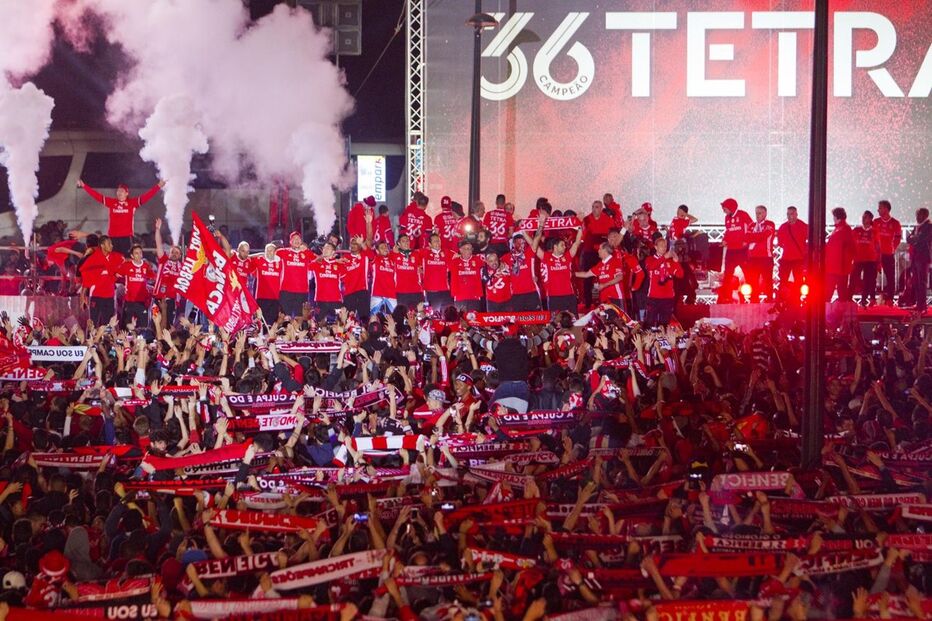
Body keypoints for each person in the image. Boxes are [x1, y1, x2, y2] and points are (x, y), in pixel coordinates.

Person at [77, 179, 165, 254]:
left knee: (125, 259)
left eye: (122, 191)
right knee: (113, 258)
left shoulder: (132, 203)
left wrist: (158, 186)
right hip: (113, 237)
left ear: (127, 193)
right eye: (118, 191)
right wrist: (84, 186)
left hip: (126, 237)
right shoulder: (111, 202)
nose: (119, 193)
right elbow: (97, 196)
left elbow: (147, 196)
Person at [526, 212, 584, 314]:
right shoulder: (546, 257)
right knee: (554, 324)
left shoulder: (568, 256)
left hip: (569, 295)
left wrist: (580, 226)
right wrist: (525, 232)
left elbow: (577, 243)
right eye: (562, 245)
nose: (565, 247)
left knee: (574, 322)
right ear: (555, 247)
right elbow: (532, 244)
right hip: (553, 297)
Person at [79, 236, 124, 326]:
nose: (112, 246)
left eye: (111, 243)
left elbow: (123, 264)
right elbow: (86, 277)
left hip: (110, 296)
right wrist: (82, 296)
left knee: (108, 325)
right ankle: (91, 340)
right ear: (102, 245)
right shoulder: (93, 259)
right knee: (93, 323)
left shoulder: (116, 257)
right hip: (96, 296)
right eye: (109, 244)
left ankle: (106, 340)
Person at [718, 197, 753, 303]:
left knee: (748, 273)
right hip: (731, 250)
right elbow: (728, 231)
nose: (723, 210)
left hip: (742, 250)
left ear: (731, 207)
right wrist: (724, 240)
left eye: (724, 208)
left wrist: (746, 241)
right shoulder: (727, 218)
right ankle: (726, 297)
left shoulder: (743, 214)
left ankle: (753, 297)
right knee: (728, 274)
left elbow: (751, 227)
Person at [581, 200, 616, 307]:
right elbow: (583, 235)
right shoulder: (586, 219)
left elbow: (612, 236)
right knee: (587, 278)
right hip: (589, 252)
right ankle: (587, 303)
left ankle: (605, 300)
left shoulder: (608, 220)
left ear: (601, 208)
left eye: (596, 207)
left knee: (605, 276)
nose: (594, 209)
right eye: (593, 207)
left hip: (603, 253)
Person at [644, 237, 683, 326]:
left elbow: (680, 275)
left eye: (665, 246)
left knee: (665, 324)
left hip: (668, 297)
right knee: (649, 322)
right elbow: (651, 267)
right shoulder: (650, 259)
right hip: (654, 297)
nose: (664, 248)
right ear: (655, 247)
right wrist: (664, 257)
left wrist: (676, 262)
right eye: (661, 246)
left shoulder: (670, 261)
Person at [276, 231, 316, 317]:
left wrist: (307, 250)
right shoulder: (282, 252)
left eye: (298, 239)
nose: (296, 240)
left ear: (301, 241)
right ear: (290, 242)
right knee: (285, 317)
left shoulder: (307, 253)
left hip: (302, 291)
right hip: (286, 291)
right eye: (294, 239)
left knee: (300, 317)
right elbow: (270, 255)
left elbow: (317, 260)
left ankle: (300, 331)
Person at [575, 242, 627, 307]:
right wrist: (571, 273)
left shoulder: (615, 261)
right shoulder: (599, 265)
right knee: (604, 317)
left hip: (616, 298)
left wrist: (605, 285)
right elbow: (586, 274)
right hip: (604, 299)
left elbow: (620, 277)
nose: (598, 251)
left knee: (618, 317)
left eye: (600, 249)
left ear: (605, 250)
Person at [116, 244, 154, 329]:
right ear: (132, 255)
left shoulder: (146, 266)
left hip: (142, 302)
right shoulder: (126, 265)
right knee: (127, 327)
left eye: (140, 253)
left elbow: (153, 278)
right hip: (129, 301)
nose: (139, 255)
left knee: (143, 327)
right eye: (136, 253)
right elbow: (117, 275)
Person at [745, 205, 776, 302]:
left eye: (760, 213)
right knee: (753, 282)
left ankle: (770, 302)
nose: (757, 215)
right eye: (756, 213)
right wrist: (756, 237)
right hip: (753, 258)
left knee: (767, 282)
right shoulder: (751, 226)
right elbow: (747, 237)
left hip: (766, 257)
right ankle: (754, 302)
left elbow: (764, 235)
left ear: (765, 214)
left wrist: (754, 237)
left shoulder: (770, 224)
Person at [825, 207, 856, 302]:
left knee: (837, 290)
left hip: (839, 266)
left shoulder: (843, 230)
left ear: (837, 217)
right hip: (836, 265)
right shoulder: (841, 229)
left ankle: (834, 311)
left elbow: (850, 248)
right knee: (837, 290)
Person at [504, 232, 541, 312]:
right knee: (518, 320)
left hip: (531, 292)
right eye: (519, 242)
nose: (522, 244)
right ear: (513, 243)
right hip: (516, 294)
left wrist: (541, 225)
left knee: (536, 319)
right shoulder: (506, 258)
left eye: (523, 242)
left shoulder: (528, 253)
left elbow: (536, 240)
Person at [874, 199, 902, 304]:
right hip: (875, 255)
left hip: (888, 254)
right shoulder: (875, 222)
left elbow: (898, 238)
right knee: (871, 276)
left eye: (880, 208)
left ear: (886, 209)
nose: (878, 210)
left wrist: (892, 248)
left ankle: (890, 298)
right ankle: (870, 299)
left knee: (890, 277)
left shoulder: (895, 223)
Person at [308, 241, 345, 318]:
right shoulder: (318, 262)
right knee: (319, 324)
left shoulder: (339, 264)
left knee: (338, 323)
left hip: (336, 300)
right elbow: (308, 267)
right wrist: (320, 257)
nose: (325, 249)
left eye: (328, 248)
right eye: (324, 248)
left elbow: (346, 278)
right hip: (320, 300)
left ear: (333, 252)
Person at [776, 206, 808, 296]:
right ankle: (788, 300)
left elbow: (780, 243)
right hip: (790, 258)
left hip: (795, 258)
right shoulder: (802, 226)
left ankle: (792, 300)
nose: (790, 216)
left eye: (792, 214)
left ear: (796, 214)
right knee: (787, 282)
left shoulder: (801, 226)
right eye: (788, 214)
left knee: (794, 282)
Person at [851, 210, 880, 306]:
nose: (863, 219)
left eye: (866, 217)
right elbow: (851, 244)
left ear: (870, 219)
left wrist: (878, 261)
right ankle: (848, 298)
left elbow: (878, 247)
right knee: (854, 278)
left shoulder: (874, 232)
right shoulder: (856, 230)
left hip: (870, 259)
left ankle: (867, 299)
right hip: (858, 259)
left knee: (869, 280)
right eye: (863, 216)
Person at [419, 233, 453, 311]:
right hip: (432, 291)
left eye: (438, 241)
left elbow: (458, 257)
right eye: (435, 241)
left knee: (448, 315)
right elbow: (410, 255)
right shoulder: (424, 253)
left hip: (445, 291)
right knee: (434, 316)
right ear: (430, 244)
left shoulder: (447, 252)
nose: (437, 243)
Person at [907, 207, 931, 313]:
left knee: (922, 282)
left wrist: (914, 239)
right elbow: (908, 238)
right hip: (915, 257)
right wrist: (914, 239)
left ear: (925, 215)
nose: (917, 217)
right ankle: (918, 304)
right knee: (916, 281)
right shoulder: (917, 227)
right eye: (916, 215)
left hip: (923, 257)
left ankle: (922, 306)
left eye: (919, 215)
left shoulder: (929, 226)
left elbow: (922, 239)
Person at [252, 243, 283, 322]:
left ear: (275, 252)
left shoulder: (280, 262)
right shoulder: (259, 260)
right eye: (267, 251)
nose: (269, 252)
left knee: (272, 321)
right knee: (261, 322)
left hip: (275, 298)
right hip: (261, 297)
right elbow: (245, 257)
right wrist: (259, 254)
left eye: (271, 250)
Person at [449, 240, 484, 312]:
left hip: (475, 296)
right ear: (461, 250)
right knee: (462, 320)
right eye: (466, 248)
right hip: (459, 296)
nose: (469, 251)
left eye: (470, 249)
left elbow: (490, 264)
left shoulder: (478, 260)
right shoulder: (454, 262)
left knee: (475, 320)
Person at [392, 234, 423, 310]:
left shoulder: (416, 254)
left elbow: (421, 268)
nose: (406, 243)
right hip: (401, 292)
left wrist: (421, 272)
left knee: (419, 315)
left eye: (407, 241)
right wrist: (393, 252)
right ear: (398, 244)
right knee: (403, 316)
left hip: (416, 291)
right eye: (403, 241)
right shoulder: (394, 255)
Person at [369, 240, 397, 315]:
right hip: (377, 294)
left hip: (392, 294)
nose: (385, 248)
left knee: (397, 318)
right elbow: (367, 251)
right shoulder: (375, 259)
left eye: (386, 246)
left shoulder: (393, 259)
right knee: (373, 318)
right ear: (377, 251)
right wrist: (362, 243)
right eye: (382, 247)